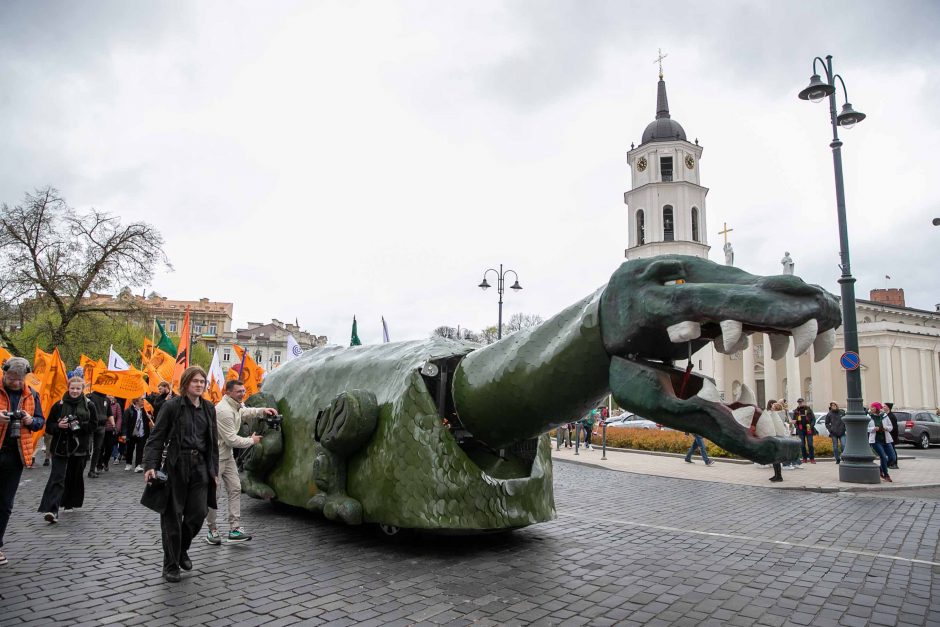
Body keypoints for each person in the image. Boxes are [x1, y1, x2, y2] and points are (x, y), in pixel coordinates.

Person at [143, 366, 219, 583]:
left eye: (202, 381)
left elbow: (212, 442)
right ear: (185, 383)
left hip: (200, 466)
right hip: (176, 465)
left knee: (198, 514)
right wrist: (150, 465)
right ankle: (171, 565)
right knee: (172, 517)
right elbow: (156, 437)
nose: (199, 384)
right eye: (195, 381)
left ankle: (181, 549)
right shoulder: (171, 406)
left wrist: (213, 470)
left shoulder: (208, 408)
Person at [205, 379, 274, 545]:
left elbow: (245, 412)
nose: (243, 394)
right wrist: (251, 441)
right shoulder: (223, 411)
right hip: (215, 458)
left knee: (235, 488)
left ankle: (234, 529)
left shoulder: (236, 405)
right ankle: (212, 529)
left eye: (243, 391)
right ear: (228, 392)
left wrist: (263, 411)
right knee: (214, 494)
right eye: (239, 391)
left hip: (227, 457)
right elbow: (231, 440)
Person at [0, 357, 45, 567]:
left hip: (16, 456)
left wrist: (30, 420)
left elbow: (40, 421)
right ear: (4, 373)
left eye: (19, 379)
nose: (15, 383)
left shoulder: (32, 394)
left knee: (5, 504)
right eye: (11, 378)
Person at [38, 377, 98, 521]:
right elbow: (49, 426)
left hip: (79, 447)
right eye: (72, 388)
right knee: (57, 477)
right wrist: (59, 426)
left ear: (82, 389)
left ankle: (69, 502)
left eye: (78, 388)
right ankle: (52, 510)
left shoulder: (89, 405)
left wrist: (78, 425)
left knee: (73, 476)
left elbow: (93, 425)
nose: (75, 391)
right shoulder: (58, 405)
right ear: (68, 387)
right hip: (60, 446)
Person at [86, 390, 113, 478]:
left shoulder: (107, 400)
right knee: (87, 447)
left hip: (102, 426)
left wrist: (113, 424)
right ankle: (80, 467)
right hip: (90, 425)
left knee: (98, 449)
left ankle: (92, 470)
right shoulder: (90, 396)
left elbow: (109, 414)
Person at [124, 397, 153, 472]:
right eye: (141, 400)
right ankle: (128, 463)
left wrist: (149, 417)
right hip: (132, 433)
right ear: (136, 402)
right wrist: (124, 434)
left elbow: (147, 420)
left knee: (140, 449)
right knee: (130, 449)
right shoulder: (129, 410)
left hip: (142, 433)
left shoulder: (144, 410)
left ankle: (138, 465)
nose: (143, 402)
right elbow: (125, 423)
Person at [868, 402, 893, 482]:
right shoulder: (868, 417)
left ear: (877, 408)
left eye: (873, 407)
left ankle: (881, 469)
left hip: (886, 440)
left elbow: (891, 427)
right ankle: (886, 475)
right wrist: (873, 429)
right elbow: (865, 428)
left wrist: (886, 428)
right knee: (883, 456)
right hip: (875, 441)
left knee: (892, 457)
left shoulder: (884, 416)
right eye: (871, 407)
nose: (871, 408)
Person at [793, 398, 816, 464]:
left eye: (801, 402)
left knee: (810, 444)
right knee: (802, 445)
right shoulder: (796, 411)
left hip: (809, 428)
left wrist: (811, 426)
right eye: (799, 402)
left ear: (804, 402)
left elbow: (813, 419)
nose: (800, 403)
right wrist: (797, 427)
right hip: (800, 429)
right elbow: (794, 420)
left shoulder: (808, 409)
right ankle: (804, 458)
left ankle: (812, 459)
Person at [884, 402, 900, 470]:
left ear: (888, 407)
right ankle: (890, 463)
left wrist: (894, 437)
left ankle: (895, 464)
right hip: (888, 436)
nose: (883, 407)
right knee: (889, 450)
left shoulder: (891, 416)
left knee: (892, 450)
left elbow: (894, 428)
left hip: (892, 436)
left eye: (884, 406)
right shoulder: (886, 415)